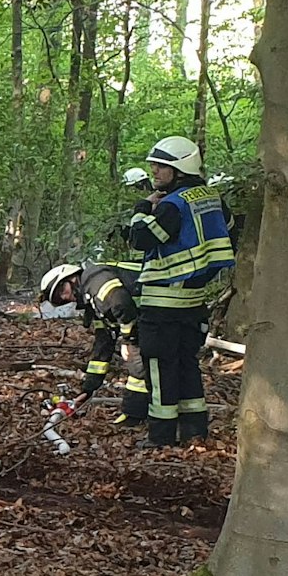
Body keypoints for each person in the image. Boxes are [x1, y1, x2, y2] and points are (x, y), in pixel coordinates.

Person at [126, 135, 235, 448]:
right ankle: (194, 430)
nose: (154, 171)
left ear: (180, 169)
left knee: (160, 368)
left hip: (163, 305)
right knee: (188, 366)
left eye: (161, 166)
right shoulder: (212, 198)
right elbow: (229, 230)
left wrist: (142, 208)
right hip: (194, 302)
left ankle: (160, 436)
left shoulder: (172, 205)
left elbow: (141, 238)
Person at [37, 261, 150, 426]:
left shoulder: (95, 279)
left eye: (62, 290)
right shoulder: (93, 302)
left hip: (165, 311)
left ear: (72, 277)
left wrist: (128, 339)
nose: (65, 297)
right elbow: (103, 345)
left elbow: (121, 303)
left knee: (137, 364)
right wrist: (89, 388)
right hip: (150, 318)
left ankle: (134, 416)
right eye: (59, 299)